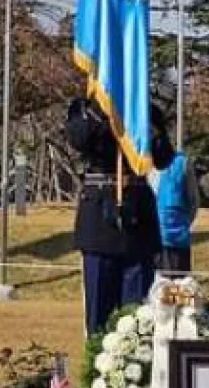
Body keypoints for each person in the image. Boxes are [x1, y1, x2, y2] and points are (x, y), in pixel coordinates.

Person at [66, 97, 162, 334]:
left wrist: (141, 120)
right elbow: (79, 139)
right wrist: (105, 111)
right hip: (99, 218)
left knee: (138, 317)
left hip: (137, 216)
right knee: (98, 315)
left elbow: (163, 156)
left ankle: (135, 368)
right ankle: (97, 367)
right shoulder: (84, 109)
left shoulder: (145, 107)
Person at [147, 110, 199, 274]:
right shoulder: (138, 164)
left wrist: (179, 224)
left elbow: (193, 201)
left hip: (175, 244)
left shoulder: (181, 164)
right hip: (145, 245)